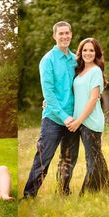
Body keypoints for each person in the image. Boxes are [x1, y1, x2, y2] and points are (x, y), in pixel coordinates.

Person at [23, 21, 79, 198]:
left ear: (71, 34)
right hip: (53, 119)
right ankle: (29, 196)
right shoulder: (47, 60)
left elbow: (84, 84)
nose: (64, 36)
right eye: (60, 33)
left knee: (68, 159)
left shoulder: (76, 59)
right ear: (54, 36)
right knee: (42, 159)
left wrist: (96, 93)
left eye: (67, 33)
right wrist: (64, 117)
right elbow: (49, 93)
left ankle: (64, 191)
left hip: (74, 118)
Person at [68, 38, 109, 194]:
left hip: (90, 121)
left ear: (96, 53)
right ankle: (105, 186)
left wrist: (78, 121)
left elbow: (93, 100)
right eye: (85, 50)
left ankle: (86, 194)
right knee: (96, 155)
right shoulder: (79, 71)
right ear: (80, 52)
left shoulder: (95, 71)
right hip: (80, 121)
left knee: (92, 158)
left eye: (91, 50)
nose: (88, 53)